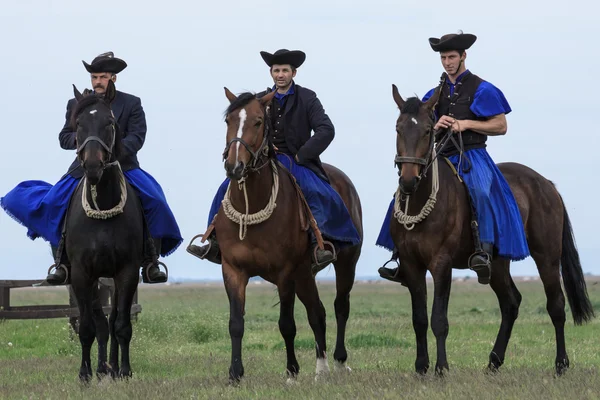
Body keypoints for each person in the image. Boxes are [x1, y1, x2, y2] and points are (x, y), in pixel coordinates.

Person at [0, 51, 182, 284]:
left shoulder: (131, 103)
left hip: (124, 166)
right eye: (94, 77)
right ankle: (62, 262)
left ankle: (150, 261)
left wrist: (113, 151)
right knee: (55, 202)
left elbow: (138, 137)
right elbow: (64, 137)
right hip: (84, 166)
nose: (97, 82)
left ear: (113, 78)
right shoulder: (76, 104)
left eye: (103, 77)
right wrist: (86, 143)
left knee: (155, 201)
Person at [187, 48, 361, 273]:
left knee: (317, 191)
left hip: (296, 161)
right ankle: (211, 239)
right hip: (263, 160)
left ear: (293, 73)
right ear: (271, 73)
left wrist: (302, 154)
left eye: (285, 71)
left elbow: (326, 129)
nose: (281, 75)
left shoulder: (307, 98)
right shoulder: (258, 100)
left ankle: (320, 242)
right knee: (224, 189)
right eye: (277, 70)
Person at [377, 31, 530, 284]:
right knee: (403, 193)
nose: (447, 62)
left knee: (480, 190)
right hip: (441, 156)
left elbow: (501, 125)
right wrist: (438, 125)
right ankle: (399, 255)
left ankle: (483, 250)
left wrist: (465, 123)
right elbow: (421, 127)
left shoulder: (482, 89)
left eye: (451, 57)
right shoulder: (433, 94)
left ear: (463, 56)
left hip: (473, 154)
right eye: (443, 58)